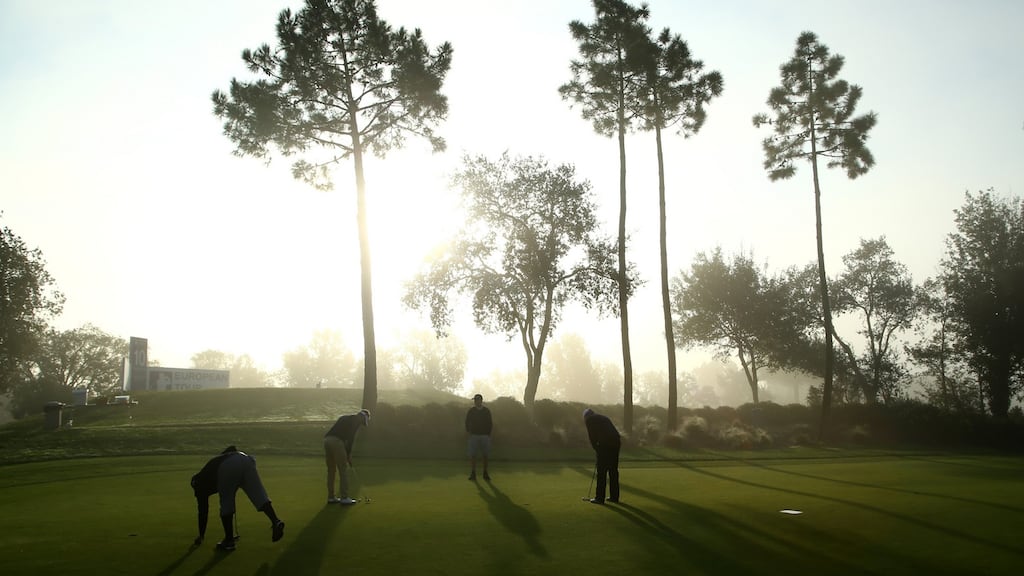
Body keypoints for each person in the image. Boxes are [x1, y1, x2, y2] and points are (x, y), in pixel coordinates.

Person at [190, 446, 285, 551]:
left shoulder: (199, 484)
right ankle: (276, 521)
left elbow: (203, 511)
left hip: (229, 466)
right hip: (246, 459)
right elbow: (232, 448)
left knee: (226, 503)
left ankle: (229, 541)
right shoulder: (210, 469)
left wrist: (201, 535)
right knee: (259, 496)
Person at [324, 408, 371, 504]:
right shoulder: (356, 421)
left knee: (331, 470)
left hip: (327, 440)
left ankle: (331, 497)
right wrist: (348, 454)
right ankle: (344, 498)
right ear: (363, 417)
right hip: (337, 442)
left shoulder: (345, 417)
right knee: (343, 469)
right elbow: (350, 439)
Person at [583, 408, 620, 504]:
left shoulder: (589, 420)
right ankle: (614, 497)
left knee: (601, 471)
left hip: (605, 444)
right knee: (613, 471)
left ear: (586, 417)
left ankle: (599, 498)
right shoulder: (603, 417)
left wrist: (597, 450)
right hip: (616, 443)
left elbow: (592, 438)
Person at [465, 393, 493, 481]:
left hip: (484, 435)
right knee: (473, 455)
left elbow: (490, 423)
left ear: (481, 400)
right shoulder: (471, 411)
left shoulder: (486, 411)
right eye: (475, 400)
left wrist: (488, 433)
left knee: (485, 455)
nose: (476, 402)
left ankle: (485, 473)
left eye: (477, 400)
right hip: (474, 435)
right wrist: (469, 432)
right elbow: (467, 421)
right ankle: (473, 473)